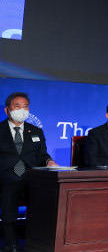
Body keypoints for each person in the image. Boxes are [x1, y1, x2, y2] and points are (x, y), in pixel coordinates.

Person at [0, 92, 57, 252]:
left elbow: (43, 155)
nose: (22, 110)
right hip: (4, 173)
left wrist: (49, 161)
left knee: (47, 187)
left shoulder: (36, 131)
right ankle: (11, 242)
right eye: (17, 106)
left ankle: (41, 238)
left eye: (25, 106)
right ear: (7, 110)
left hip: (30, 174)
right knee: (12, 184)